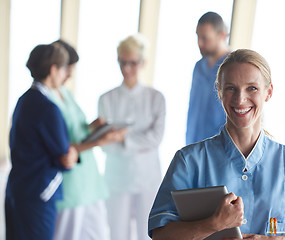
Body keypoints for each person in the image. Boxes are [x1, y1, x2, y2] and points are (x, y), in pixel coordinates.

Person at [148, 49, 285, 239]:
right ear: (219, 92)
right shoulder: (188, 161)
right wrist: (213, 224)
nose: (240, 99)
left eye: (252, 88)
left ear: (268, 92)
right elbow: (161, 234)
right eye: (231, 88)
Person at [49, 40, 123, 240]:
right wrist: (99, 142)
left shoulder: (65, 92)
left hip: (89, 182)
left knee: (98, 234)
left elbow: (73, 129)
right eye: (67, 69)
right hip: (71, 185)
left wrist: (93, 127)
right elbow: (59, 144)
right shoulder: (46, 99)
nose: (70, 75)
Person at [5, 44, 78, 239]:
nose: (66, 75)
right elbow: (65, 157)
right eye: (64, 69)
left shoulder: (23, 100)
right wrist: (73, 154)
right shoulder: (48, 108)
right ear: (53, 69)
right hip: (38, 194)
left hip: (17, 190)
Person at [98, 34, 166, 240]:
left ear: (143, 63)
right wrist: (133, 140)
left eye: (132, 63)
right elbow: (104, 144)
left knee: (148, 232)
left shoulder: (156, 98)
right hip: (117, 178)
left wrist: (122, 138)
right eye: (122, 62)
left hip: (147, 177)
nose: (127, 68)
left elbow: (156, 138)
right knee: (117, 232)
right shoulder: (106, 99)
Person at [186, 11, 230, 145]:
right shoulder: (199, 67)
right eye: (198, 37)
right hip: (195, 145)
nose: (200, 43)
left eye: (205, 38)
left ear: (222, 35)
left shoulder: (233, 67)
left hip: (221, 148)